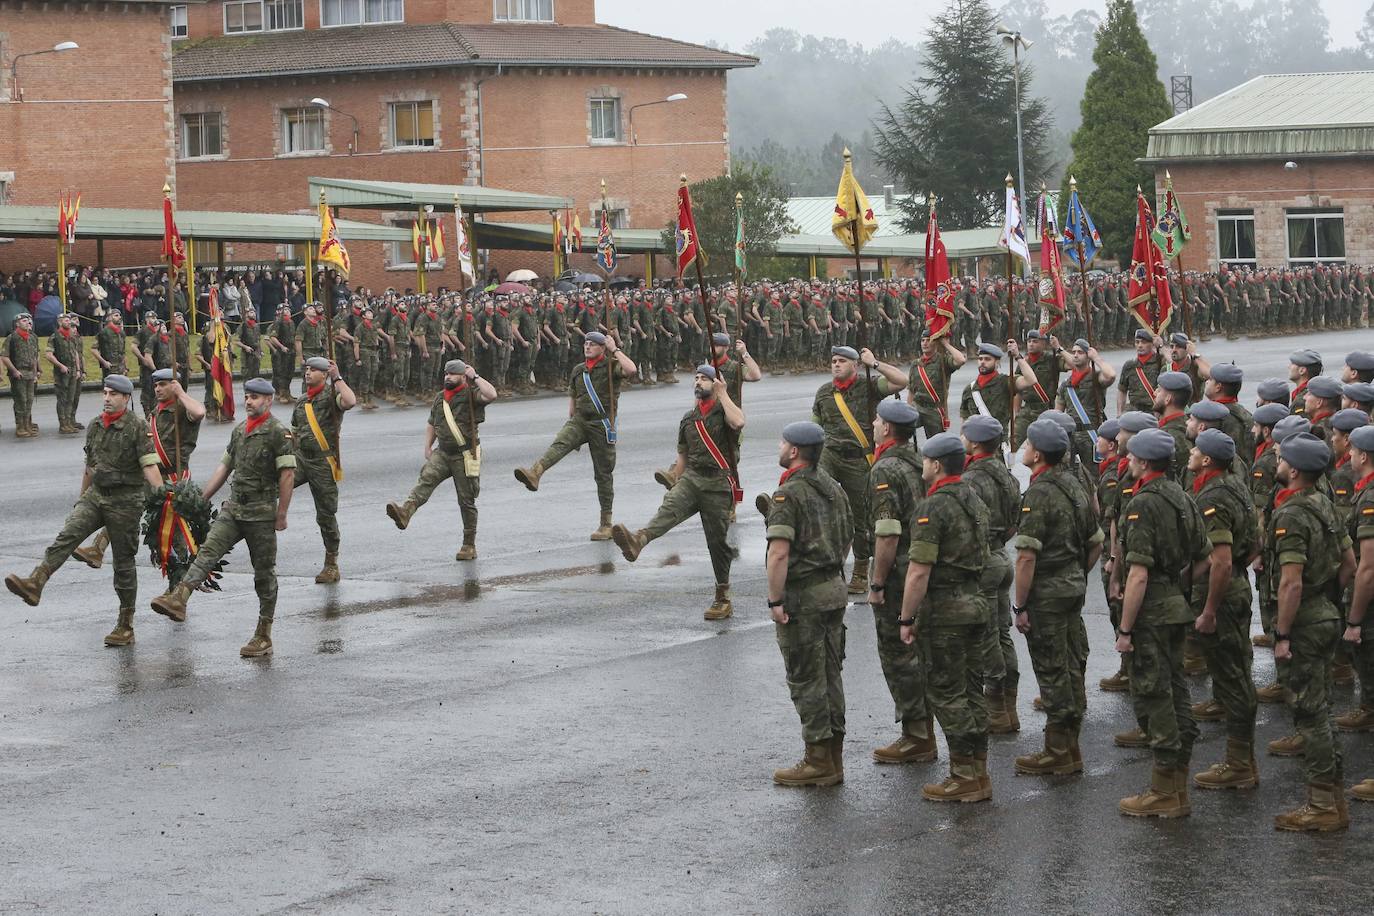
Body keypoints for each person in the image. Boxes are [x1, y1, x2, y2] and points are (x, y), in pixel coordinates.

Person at [4, 375, 163, 646]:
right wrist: (81, 500)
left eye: (113, 394)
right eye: (104, 392)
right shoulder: (96, 425)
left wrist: (162, 498)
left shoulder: (137, 427)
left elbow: (149, 465)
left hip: (126, 501)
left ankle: (125, 624)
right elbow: (89, 466)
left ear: (126, 398)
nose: (107, 398)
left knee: (123, 564)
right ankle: (35, 582)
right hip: (96, 496)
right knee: (67, 535)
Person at [150, 377, 296, 658]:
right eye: (247, 396)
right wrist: (202, 499)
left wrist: (282, 514)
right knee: (206, 552)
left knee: (264, 575)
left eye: (255, 397)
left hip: (261, 514)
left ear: (269, 400)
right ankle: (180, 598)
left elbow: (287, 475)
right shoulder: (240, 431)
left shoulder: (279, 433)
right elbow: (224, 468)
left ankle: (263, 633)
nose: (249, 402)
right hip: (233, 509)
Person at [1114, 427, 1211, 818]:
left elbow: (1137, 574)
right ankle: (1177, 787)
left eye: (1132, 456)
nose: (1129, 461)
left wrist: (1124, 629)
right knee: (1176, 692)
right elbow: (1204, 557)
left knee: (1154, 697)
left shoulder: (1144, 504)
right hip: (1175, 606)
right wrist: (1177, 585)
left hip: (1152, 612)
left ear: (1142, 461)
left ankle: (1163, 790)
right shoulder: (1183, 497)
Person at [1265, 433, 1357, 831]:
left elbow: (1291, 582)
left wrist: (1282, 634)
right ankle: (1333, 799)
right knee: (1322, 710)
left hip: (1303, 620)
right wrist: (1328, 598)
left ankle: (1321, 806)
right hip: (1326, 614)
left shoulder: (1292, 514)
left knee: (1310, 712)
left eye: (1282, 459)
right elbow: (1349, 564)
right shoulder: (1327, 505)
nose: (1277, 463)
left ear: (1295, 471)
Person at [897, 431, 992, 802]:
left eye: (926, 460)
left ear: (936, 465)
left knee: (947, 693)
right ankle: (978, 771)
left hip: (947, 612)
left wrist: (906, 619)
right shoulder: (973, 498)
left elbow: (919, 570)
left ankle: (964, 776)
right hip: (975, 602)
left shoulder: (932, 507)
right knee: (971, 691)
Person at [613, 364, 745, 619]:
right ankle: (638, 540)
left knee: (717, 544)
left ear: (716, 385)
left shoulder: (725, 410)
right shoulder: (688, 418)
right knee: (668, 509)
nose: (697, 382)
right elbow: (683, 456)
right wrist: (674, 477)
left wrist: (724, 393)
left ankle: (722, 595)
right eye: (695, 378)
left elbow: (739, 422)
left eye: (704, 379)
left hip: (718, 484)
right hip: (692, 479)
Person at [1011, 418, 1104, 776]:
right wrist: (1077, 572)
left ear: (1037, 453)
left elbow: (1026, 557)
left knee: (1052, 671)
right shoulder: (1073, 483)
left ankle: (1058, 752)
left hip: (1047, 596)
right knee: (1069, 666)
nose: (1023, 449)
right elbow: (1095, 542)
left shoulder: (1039, 493)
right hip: (1071, 589)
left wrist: (1020, 604)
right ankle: (1071, 747)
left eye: (1027, 444)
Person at [765, 420, 852, 787]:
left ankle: (818, 759)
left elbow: (779, 554)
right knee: (831, 675)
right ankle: (833, 758)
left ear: (795, 451)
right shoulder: (834, 487)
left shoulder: (788, 494)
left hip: (804, 597)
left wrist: (775, 599)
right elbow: (848, 535)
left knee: (806, 679)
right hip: (833, 589)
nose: (780, 447)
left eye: (783, 443)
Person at [1187, 429, 1261, 791]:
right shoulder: (1236, 486)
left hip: (1223, 594)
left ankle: (1238, 764)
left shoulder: (1213, 495)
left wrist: (1210, 610)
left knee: (1232, 678)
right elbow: (1255, 539)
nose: (1190, 454)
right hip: (1236, 585)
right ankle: (1242, 759)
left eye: (1196, 451)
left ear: (1207, 460)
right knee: (1236, 674)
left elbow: (1220, 560)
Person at [72, 368, 205, 570]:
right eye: (156, 385)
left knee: (173, 531)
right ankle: (97, 548)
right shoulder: (155, 411)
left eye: (163, 384)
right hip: (150, 475)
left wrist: (181, 393)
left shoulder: (181, 409)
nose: (158, 389)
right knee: (121, 508)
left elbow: (199, 412)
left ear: (174, 385)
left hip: (171, 478)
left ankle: (184, 571)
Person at [863, 399, 935, 762]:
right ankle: (923, 728)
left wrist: (877, 584)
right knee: (919, 651)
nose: (874, 424)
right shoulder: (917, 460)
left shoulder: (885, 468)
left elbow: (887, 533)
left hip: (900, 572)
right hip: (923, 564)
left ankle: (917, 735)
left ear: (888, 429)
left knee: (898, 652)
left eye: (877, 420)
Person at [513, 331, 637, 539]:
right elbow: (573, 398)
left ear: (602, 348)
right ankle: (536, 473)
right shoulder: (579, 370)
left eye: (593, 344)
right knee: (560, 443)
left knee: (603, 475)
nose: (587, 347)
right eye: (586, 344)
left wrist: (614, 348)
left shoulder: (610, 366)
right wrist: (571, 419)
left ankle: (606, 523)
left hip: (601, 423)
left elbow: (631, 369)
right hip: (580, 419)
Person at [810, 345, 909, 594]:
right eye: (833, 360)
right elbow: (815, 427)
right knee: (815, 485)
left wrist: (874, 363)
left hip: (858, 460)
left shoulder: (869, 385)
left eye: (842, 361)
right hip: (830, 454)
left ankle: (861, 570)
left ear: (855, 365)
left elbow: (901, 381)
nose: (836, 365)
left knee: (860, 518)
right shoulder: (824, 393)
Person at [385, 360, 497, 560]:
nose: (448, 377)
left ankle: (469, 544)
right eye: (446, 373)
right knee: (426, 479)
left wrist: (476, 377)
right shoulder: (439, 398)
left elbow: (492, 394)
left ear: (463, 376)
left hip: (465, 454)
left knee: (466, 500)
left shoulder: (472, 394)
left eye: (453, 374)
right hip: (443, 452)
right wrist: (427, 446)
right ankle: (405, 512)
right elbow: (431, 423)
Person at [961, 414, 1022, 734]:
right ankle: (1008, 707)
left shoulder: (970, 479)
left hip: (982, 560)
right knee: (1001, 633)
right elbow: (1015, 521)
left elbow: (967, 527)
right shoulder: (1007, 475)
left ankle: (996, 706)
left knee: (986, 637)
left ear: (973, 442)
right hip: (1001, 554)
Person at [292, 356, 356, 583]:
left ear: (324, 374)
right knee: (271, 484)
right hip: (301, 459)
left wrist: (337, 376)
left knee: (326, 514)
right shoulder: (301, 402)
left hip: (322, 463)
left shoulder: (331, 397)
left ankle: (331, 564)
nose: (308, 373)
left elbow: (350, 401)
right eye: (306, 369)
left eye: (314, 370)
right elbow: (295, 432)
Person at [1342, 426, 1374, 797]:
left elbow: (1367, 568)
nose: (1348, 455)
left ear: (1364, 456)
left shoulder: (1369, 499)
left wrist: (1354, 619)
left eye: (1352, 450)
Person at [1056, 338, 1116, 469]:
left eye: (1080, 352)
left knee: (1094, 474)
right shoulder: (1066, 384)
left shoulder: (1096, 378)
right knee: (1067, 472)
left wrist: (1096, 358)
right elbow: (1057, 414)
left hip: (1090, 435)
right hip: (1070, 435)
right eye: (1074, 352)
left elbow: (1111, 375)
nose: (1076, 355)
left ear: (1088, 356)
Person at [908, 331, 966, 439]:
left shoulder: (943, 361)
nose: (925, 343)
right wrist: (907, 409)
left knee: (935, 446)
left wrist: (945, 344)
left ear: (936, 342)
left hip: (934, 410)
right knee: (901, 427)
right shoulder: (916, 364)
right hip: (918, 406)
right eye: (922, 340)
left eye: (929, 340)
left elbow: (961, 360)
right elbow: (911, 390)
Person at [959, 343, 1013, 455]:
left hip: (996, 445)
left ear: (997, 362)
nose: (982, 362)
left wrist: (1017, 356)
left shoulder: (1004, 382)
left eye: (987, 359)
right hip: (975, 445)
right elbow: (965, 422)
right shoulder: (970, 389)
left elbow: (1031, 380)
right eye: (980, 359)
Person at [4, 312, 40, 437]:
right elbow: (4, 356)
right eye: (24, 321)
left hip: (30, 372)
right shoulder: (12, 337)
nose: (28, 323)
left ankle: (27, 425)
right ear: (17, 323)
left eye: (28, 320)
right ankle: (20, 426)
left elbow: (35, 357)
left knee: (29, 400)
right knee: (21, 401)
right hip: (19, 372)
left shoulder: (32, 337)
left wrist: (35, 373)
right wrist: (14, 371)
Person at [48, 312, 85, 434]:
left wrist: (79, 369)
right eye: (66, 320)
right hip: (62, 373)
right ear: (59, 322)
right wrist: (60, 365)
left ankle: (69, 422)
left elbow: (76, 354)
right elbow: (48, 354)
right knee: (62, 398)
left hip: (73, 371)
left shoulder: (72, 336)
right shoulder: (55, 337)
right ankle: (63, 423)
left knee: (71, 398)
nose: (69, 322)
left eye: (69, 320)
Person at [1118, 328, 1166, 415]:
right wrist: (1119, 413)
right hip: (1133, 410)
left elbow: (1173, 367)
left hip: (1154, 410)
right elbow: (1122, 390)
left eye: (1144, 342)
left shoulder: (1160, 362)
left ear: (1152, 344)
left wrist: (1161, 346)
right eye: (1137, 342)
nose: (1140, 345)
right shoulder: (1129, 365)